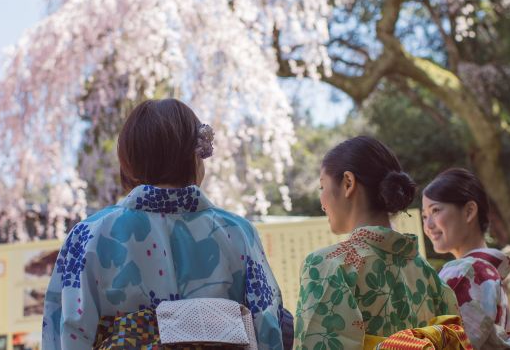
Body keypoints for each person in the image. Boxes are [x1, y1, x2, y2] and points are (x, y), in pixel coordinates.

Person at [42, 99, 284, 349]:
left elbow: (68, 328)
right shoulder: (238, 233)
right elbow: (266, 323)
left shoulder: (89, 234)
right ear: (196, 156)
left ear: (128, 160)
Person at [294, 136, 459, 349]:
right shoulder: (428, 275)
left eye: (322, 187)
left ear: (348, 183)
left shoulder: (329, 265)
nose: (322, 201)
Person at [422, 168, 510, 349]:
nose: (428, 225)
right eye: (424, 216)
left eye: (435, 211)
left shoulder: (468, 271)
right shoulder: (482, 270)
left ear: (469, 211)